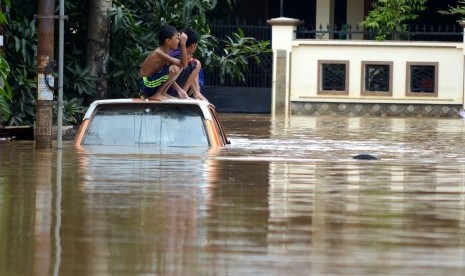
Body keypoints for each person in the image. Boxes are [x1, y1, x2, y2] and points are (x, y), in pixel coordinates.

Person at [138, 24, 190, 101]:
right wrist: (183, 44)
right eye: (176, 38)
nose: (178, 41)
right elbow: (184, 64)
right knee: (174, 68)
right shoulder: (159, 53)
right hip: (145, 84)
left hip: (151, 82)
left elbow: (181, 66)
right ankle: (157, 94)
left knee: (179, 68)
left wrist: (179, 90)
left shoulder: (165, 52)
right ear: (168, 41)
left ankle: (162, 93)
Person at [168, 28, 208, 101]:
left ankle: (189, 92)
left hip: (177, 89)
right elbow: (166, 75)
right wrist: (179, 90)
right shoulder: (174, 54)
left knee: (195, 63)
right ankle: (183, 92)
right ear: (193, 46)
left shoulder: (188, 59)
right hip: (166, 88)